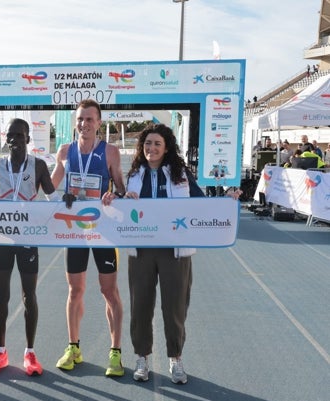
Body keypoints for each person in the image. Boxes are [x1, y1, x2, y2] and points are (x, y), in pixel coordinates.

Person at [123, 123, 242, 384]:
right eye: (147, 143)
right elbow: (119, 208)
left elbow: (200, 202)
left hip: (174, 252)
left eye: (157, 144)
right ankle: (141, 357)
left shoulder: (180, 174)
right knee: (140, 305)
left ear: (166, 149)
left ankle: (175, 359)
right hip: (141, 251)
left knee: (175, 306)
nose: (151, 148)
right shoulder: (133, 174)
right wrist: (117, 199)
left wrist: (226, 201)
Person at [50, 98, 127, 378]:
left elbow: (121, 188)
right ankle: (74, 347)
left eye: (90, 119)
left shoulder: (110, 152)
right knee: (75, 291)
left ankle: (115, 352)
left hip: (103, 231)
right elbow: (51, 187)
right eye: (80, 119)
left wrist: (114, 196)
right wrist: (60, 195)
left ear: (99, 123)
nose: (84, 124)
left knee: (109, 292)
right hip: (75, 231)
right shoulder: (65, 151)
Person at [0, 118, 58, 376]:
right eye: (9, 136)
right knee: (1, 296)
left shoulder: (38, 166)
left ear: (28, 138)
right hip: (2, 239)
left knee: (29, 296)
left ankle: (30, 352)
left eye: (18, 135)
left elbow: (53, 198)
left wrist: (69, 199)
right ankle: (0, 351)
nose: (13, 140)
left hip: (27, 240)